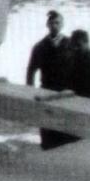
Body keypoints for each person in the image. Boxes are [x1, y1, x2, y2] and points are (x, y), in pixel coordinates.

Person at [25, 10, 73, 149]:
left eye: (57, 23)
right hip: (47, 89)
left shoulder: (70, 44)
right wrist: (30, 91)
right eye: (51, 23)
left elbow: (79, 67)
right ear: (47, 25)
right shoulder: (40, 47)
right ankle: (47, 144)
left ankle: (66, 144)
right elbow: (31, 70)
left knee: (66, 121)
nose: (54, 26)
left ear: (62, 24)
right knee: (46, 121)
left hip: (66, 90)